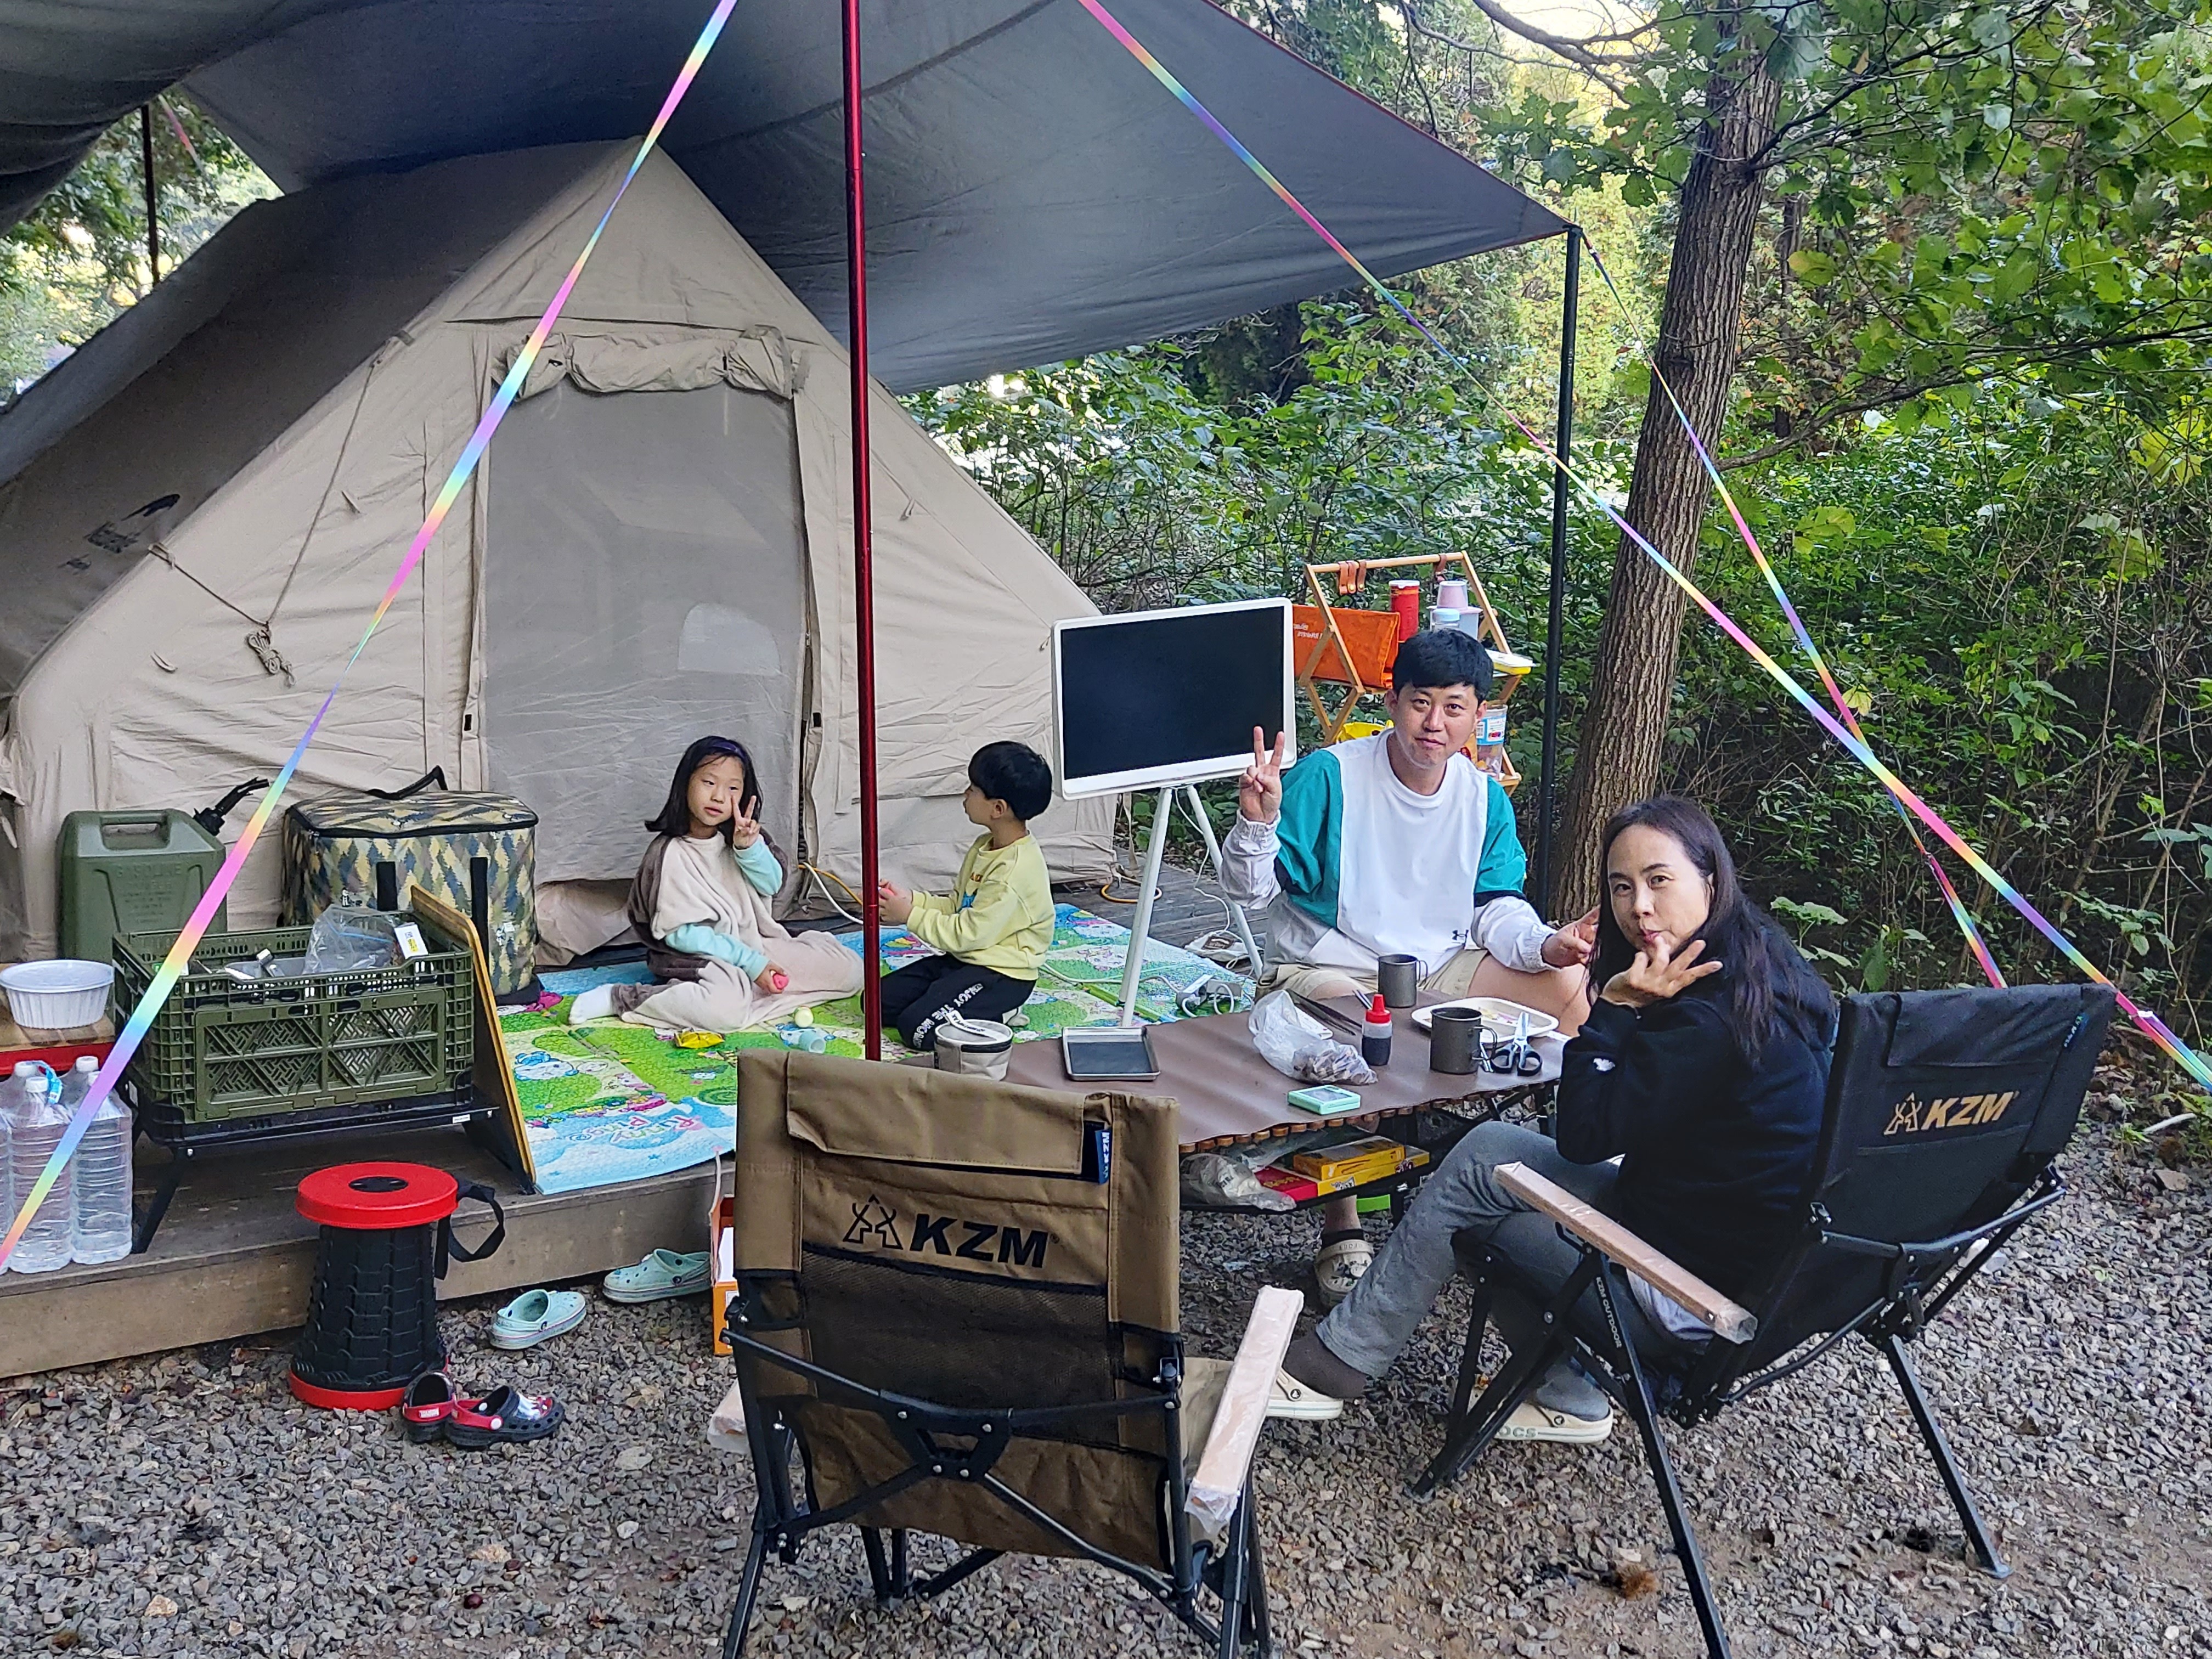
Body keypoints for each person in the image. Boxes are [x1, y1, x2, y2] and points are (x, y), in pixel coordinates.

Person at [1267, 794, 1836, 1442]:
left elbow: (1583, 1136)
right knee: (1489, 1152)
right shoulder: (1762, 963)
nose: (1639, 907)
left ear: (1710, 880)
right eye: (1621, 887)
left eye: (1659, 880)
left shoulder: (1708, 1019)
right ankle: (1564, 1391)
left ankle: (1340, 1366)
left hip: (1685, 1295)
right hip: (1745, 1265)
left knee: (1479, 1199)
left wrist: (1614, 1009)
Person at [1223, 627, 1596, 1302]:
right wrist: (1256, 823)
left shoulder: (1483, 798)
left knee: (1571, 989)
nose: (1435, 723)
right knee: (1349, 1040)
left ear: (1478, 715)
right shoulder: (1330, 778)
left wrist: (1548, 945)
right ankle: (1341, 1225)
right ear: (1393, 701)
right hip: (1330, 965)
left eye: (1455, 707)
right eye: (1421, 702)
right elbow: (1249, 894)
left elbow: (1493, 908)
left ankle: (1576, 1177)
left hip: (1439, 963)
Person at [566, 736, 863, 1030]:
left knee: (852, 972)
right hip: (697, 957)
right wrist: (751, 963)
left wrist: (748, 849)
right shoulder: (670, 854)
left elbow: (772, 886)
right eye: (709, 783)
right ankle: (622, 999)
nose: (719, 797)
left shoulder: (743, 837)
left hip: (754, 944)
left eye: (732, 788)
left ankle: (753, 984)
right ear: (685, 784)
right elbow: (681, 936)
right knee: (726, 1011)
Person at [876, 741, 1057, 1051]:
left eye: (973, 790)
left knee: (917, 1031)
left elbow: (967, 934)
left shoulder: (1013, 873)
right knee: (876, 1002)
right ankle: (950, 999)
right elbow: (957, 906)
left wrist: (909, 916)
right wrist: (912, 900)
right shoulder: (985, 845)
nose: (965, 794)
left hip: (1002, 975)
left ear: (998, 809)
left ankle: (999, 1012)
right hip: (965, 960)